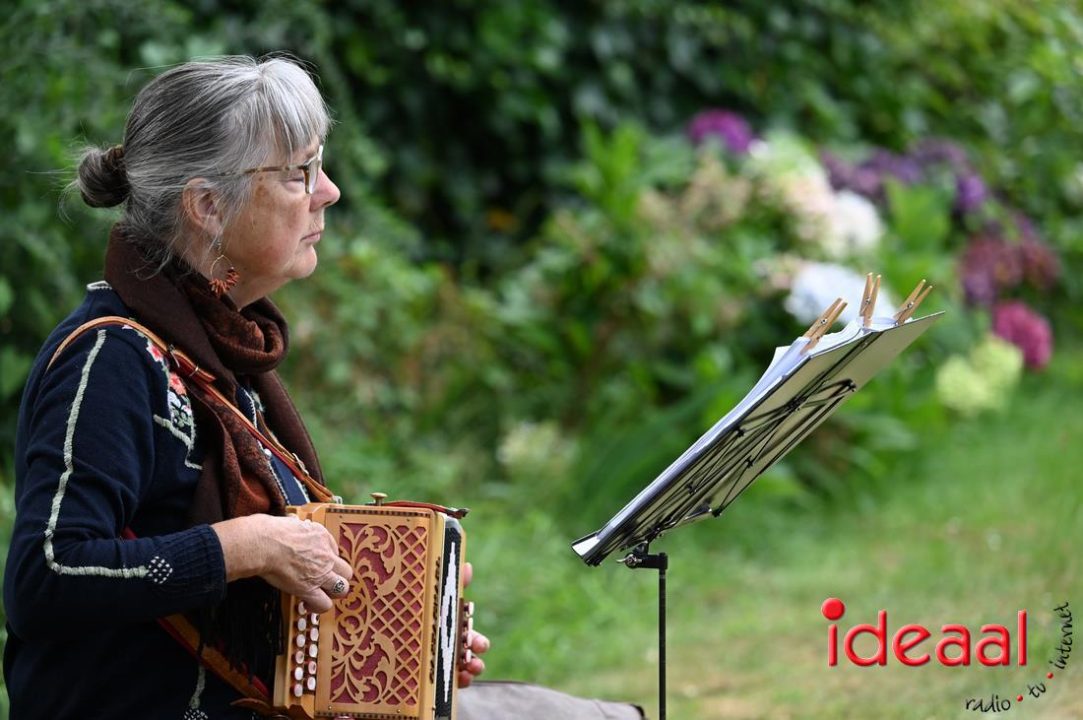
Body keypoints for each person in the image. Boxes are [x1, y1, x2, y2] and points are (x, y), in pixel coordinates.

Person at [3, 55, 488, 719]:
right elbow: (45, 577)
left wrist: (405, 637)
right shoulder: (110, 357)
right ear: (207, 205)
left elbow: (260, 603)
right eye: (298, 173)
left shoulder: (223, 358)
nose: (328, 192)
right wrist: (250, 545)